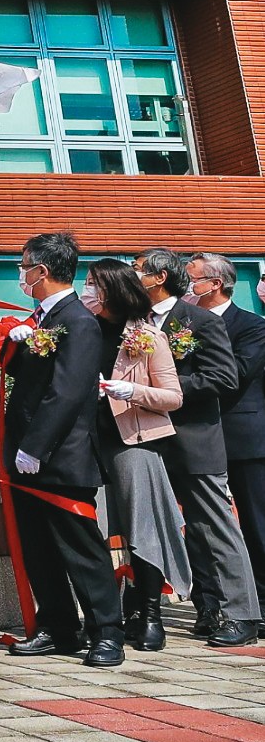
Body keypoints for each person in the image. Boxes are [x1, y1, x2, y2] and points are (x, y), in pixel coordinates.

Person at [5, 232, 125, 666]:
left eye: (24, 267)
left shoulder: (78, 321)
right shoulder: (42, 319)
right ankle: (59, 627)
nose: (21, 274)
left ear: (41, 271)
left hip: (61, 455)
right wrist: (15, 344)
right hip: (27, 456)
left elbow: (68, 391)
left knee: (80, 547)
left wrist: (36, 446)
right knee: (40, 548)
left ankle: (107, 632)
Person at [134, 249, 259, 645]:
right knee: (154, 526)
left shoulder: (200, 320)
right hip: (146, 438)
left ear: (158, 277)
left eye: (138, 270)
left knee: (214, 526)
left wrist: (163, 389)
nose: (132, 275)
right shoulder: (133, 322)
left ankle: (242, 614)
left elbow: (223, 378)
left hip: (194, 437)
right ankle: (186, 609)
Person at [82, 260, 188, 650]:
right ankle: (104, 614)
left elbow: (173, 397)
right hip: (86, 441)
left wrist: (131, 392)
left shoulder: (146, 337)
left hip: (133, 440)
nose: (87, 290)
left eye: (93, 284)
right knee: (91, 528)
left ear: (112, 289)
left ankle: (150, 613)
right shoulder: (82, 329)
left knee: (142, 529)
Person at [187, 254, 265, 605]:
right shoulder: (182, 325)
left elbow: (236, 374)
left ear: (215, 284)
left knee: (256, 524)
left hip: (243, 438)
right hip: (196, 437)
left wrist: (179, 381)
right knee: (201, 526)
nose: (187, 287)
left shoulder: (251, 326)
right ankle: (210, 603)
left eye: (192, 280)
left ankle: (261, 602)